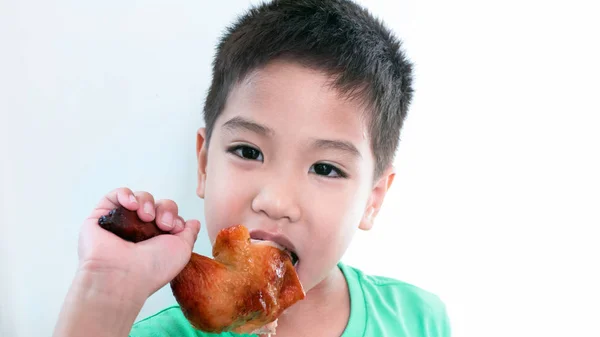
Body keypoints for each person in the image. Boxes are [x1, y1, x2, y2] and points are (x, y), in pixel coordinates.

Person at [53, 0, 451, 336]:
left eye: (326, 169)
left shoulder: (418, 320)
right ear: (205, 164)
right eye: (248, 152)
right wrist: (102, 295)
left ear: (372, 200)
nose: (276, 201)